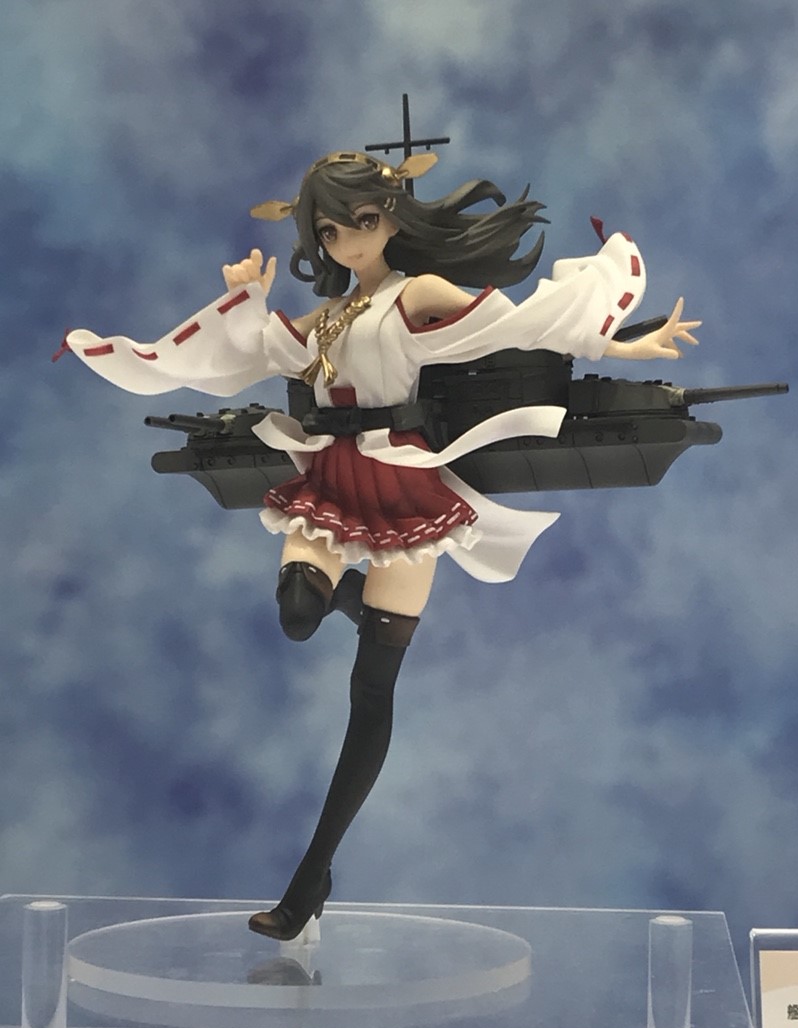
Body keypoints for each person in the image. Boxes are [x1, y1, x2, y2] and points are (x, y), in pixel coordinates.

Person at [61, 150, 700, 941]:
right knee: (299, 610)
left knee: (371, 693)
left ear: (393, 217)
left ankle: (310, 877)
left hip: (403, 484)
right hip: (330, 478)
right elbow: (251, 352)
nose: (349, 241)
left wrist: (624, 346)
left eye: (362, 222)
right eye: (331, 231)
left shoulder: (417, 292)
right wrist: (243, 299)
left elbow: (515, 325)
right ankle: (353, 606)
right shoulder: (326, 317)